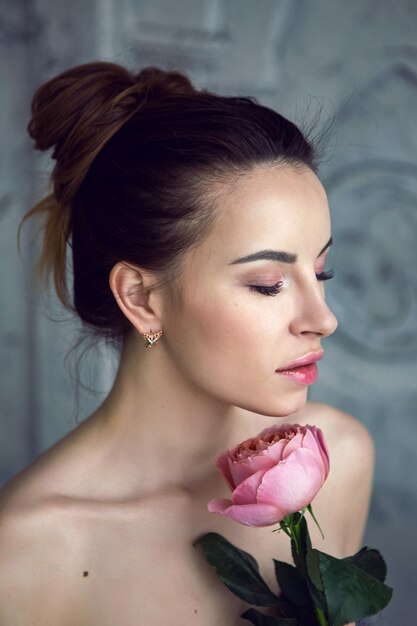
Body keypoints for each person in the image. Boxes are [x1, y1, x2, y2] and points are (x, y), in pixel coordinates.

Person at [0, 62, 378, 625]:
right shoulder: (26, 552)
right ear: (143, 298)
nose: (323, 319)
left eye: (319, 273)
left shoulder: (334, 463)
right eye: (268, 284)